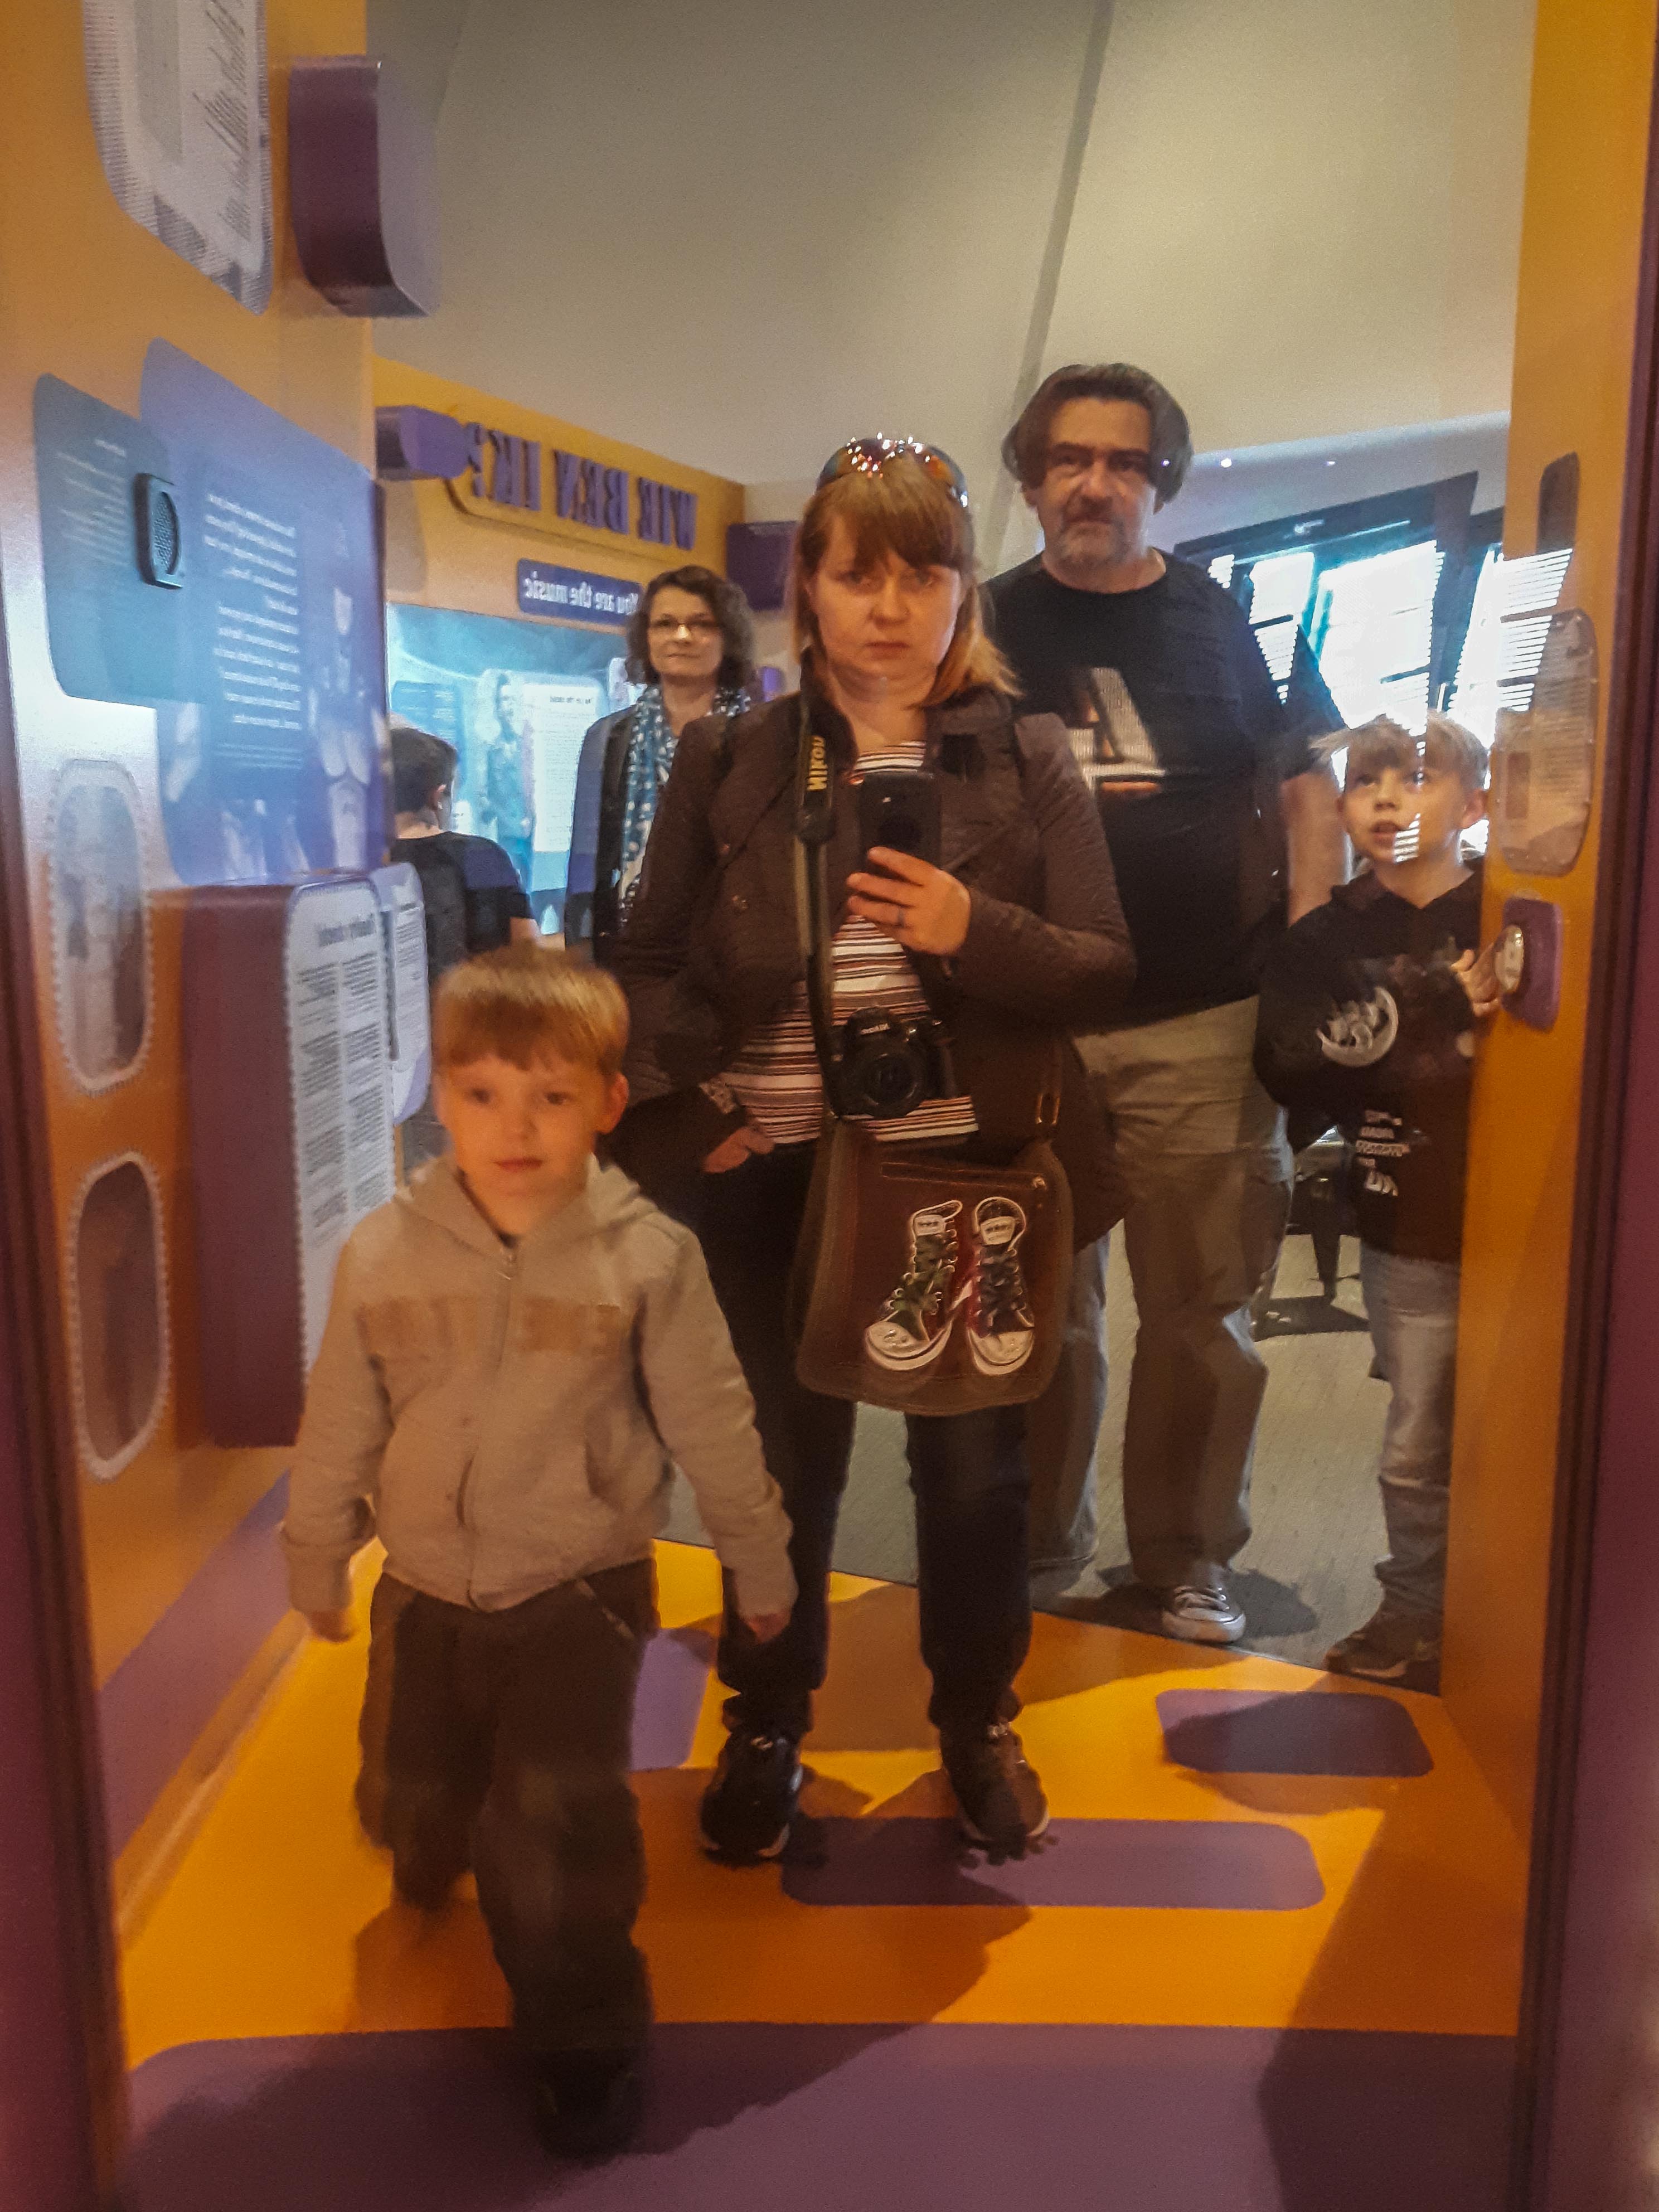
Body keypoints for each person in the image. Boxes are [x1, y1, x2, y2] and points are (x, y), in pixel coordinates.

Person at [610, 438, 1133, 1862]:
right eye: (859, 574)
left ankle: (976, 1723)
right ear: (810, 585)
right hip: (768, 1174)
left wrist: (975, 928)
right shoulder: (731, 752)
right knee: (776, 1473)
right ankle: (765, 1720)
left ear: (965, 588)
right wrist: (703, 1118)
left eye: (924, 573)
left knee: (973, 1475)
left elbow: (1102, 966)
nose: (891, 606)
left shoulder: (1028, 752)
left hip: (958, 1175)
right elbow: (645, 959)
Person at [282, 945, 795, 2156]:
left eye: (550, 1096)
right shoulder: (382, 1252)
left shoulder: (649, 1259)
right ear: (440, 1096)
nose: (514, 1126)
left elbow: (712, 1416)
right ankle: (426, 1844)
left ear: (608, 1103)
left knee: (556, 1829)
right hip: (422, 1586)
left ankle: (585, 2038)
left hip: (579, 1589)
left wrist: (758, 1558)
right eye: (483, 1093)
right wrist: (317, 1548)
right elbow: (341, 1416)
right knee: (412, 1780)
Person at [985, 362, 1346, 1638]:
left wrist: (1306, 952)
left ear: (1161, 481)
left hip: (1205, 1020)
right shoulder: (980, 625)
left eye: (1125, 462)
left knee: (1201, 1313)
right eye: (1070, 459)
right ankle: (1035, 1537)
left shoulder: (1236, 621)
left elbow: (1306, 791)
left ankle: (1185, 1555)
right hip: (1031, 1023)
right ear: (1033, 478)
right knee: (1039, 1304)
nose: (1096, 484)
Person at [1254, 715, 1495, 1690]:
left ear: (1474, 804)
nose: (1389, 799)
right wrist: (1433, 1009)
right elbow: (1288, 1068)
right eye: (1367, 781)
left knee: (1519, 1426)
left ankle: (1500, 1608)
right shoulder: (1326, 937)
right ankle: (1417, 1610)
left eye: (1418, 778)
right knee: (1418, 1434)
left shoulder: (1513, 914)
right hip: (1407, 1221)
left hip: (1528, 1220)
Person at [566, 565, 754, 962]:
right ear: (646, 637)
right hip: (630, 951)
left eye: (701, 624)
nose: (681, 636)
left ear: (728, 637)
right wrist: (582, 963)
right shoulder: (608, 739)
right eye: (665, 624)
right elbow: (585, 869)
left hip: (736, 950)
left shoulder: (761, 736)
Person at [389, 721, 539, 1168]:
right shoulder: (482, 855)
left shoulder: (361, 865)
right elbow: (526, 951)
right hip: (473, 1047)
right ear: (438, 796)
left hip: (389, 1061)